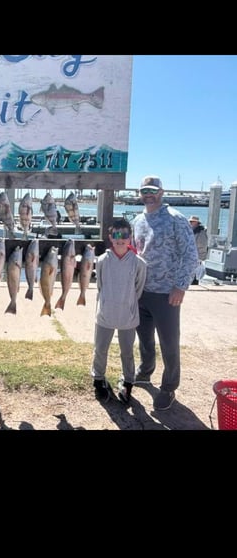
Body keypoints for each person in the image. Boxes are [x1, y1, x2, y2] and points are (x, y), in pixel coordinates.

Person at [133, 175, 198, 411]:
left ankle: (169, 387)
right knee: (145, 339)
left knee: (169, 342)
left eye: (152, 189)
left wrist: (180, 286)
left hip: (167, 293)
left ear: (161, 192)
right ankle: (144, 371)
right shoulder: (138, 220)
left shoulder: (176, 219)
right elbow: (136, 251)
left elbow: (191, 255)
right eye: (144, 190)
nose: (148, 194)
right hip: (141, 291)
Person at [92, 218, 147, 406]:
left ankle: (127, 381)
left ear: (130, 237)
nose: (120, 239)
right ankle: (98, 379)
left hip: (128, 317)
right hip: (105, 314)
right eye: (116, 235)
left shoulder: (139, 263)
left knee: (127, 352)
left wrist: (128, 302)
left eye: (124, 235)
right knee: (100, 349)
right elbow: (100, 285)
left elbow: (138, 288)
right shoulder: (101, 260)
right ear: (110, 237)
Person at [188, 215, 208, 284]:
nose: (190, 223)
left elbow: (202, 246)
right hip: (191, 258)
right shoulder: (193, 231)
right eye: (190, 221)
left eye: (192, 221)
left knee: (195, 276)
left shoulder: (201, 232)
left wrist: (200, 258)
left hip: (196, 258)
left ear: (197, 223)